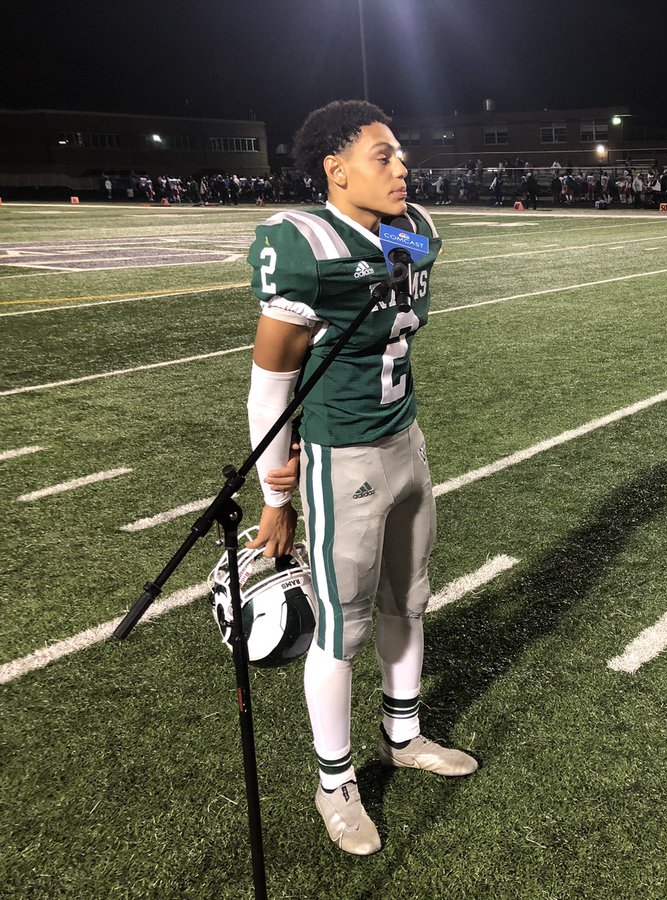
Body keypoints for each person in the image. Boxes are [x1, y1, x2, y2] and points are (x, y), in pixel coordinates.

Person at [245, 99, 477, 857]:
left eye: (400, 154)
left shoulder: (410, 237)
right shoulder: (306, 245)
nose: (401, 166)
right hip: (341, 455)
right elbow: (269, 387)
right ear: (335, 170)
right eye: (383, 156)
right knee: (341, 626)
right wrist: (274, 499)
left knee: (409, 600)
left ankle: (402, 736)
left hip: (405, 441)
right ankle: (334, 780)